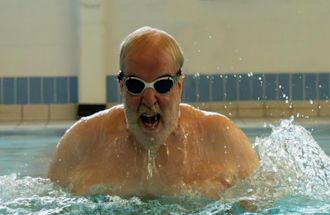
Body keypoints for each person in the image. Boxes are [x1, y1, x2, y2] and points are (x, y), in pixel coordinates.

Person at [48, 26, 259, 199]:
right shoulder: (82, 142)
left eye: (163, 84)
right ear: (121, 86)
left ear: (179, 85)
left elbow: (261, 204)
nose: (149, 100)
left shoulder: (222, 139)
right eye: (136, 85)